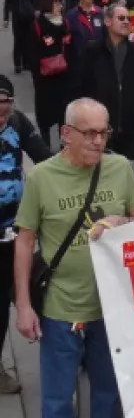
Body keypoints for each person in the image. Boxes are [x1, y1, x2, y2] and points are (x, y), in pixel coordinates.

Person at [14, 98, 134, 418]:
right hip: (61, 307)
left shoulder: (120, 167)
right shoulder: (41, 178)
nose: (98, 141)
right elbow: (24, 240)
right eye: (89, 133)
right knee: (58, 401)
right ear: (66, 134)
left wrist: (121, 223)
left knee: (108, 394)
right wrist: (24, 305)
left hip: (112, 306)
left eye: (104, 132)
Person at [0, 75, 52, 394]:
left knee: (34, 292)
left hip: (15, 232)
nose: (1, 114)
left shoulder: (17, 123)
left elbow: (45, 158)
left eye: (6, 106)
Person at [78, 3, 134, 161]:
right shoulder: (93, 52)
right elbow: (81, 87)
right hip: (100, 128)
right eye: (121, 18)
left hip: (132, 128)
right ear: (107, 21)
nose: (126, 21)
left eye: (128, 18)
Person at [28, 0, 71, 144]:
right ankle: (45, 140)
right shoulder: (39, 24)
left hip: (63, 74)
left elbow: (69, 44)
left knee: (63, 108)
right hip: (44, 75)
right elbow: (32, 50)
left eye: (60, 4)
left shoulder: (65, 23)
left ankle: (62, 141)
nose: (60, 7)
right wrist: (37, 73)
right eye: (56, 4)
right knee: (45, 108)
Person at [5, 0, 34, 73]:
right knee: (18, 41)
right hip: (17, 17)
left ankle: (26, 62)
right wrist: (6, 18)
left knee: (29, 41)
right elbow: (7, 3)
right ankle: (17, 64)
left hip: (30, 18)